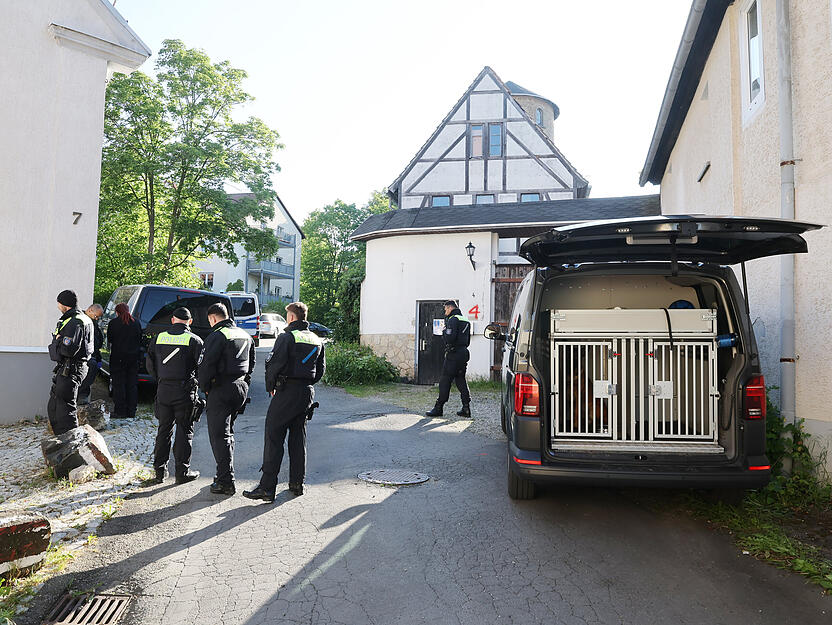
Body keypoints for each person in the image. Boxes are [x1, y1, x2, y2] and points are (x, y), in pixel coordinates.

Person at [244, 301, 325, 502]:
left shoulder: (286, 337)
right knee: (298, 437)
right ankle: (297, 483)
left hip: (286, 391)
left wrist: (270, 386)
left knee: (274, 435)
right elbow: (320, 370)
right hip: (306, 392)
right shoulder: (316, 339)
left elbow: (273, 364)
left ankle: (267, 487)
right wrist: (306, 383)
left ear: (291, 317)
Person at [198, 302, 255, 495]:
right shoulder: (245, 334)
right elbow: (252, 363)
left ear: (213, 318)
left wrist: (205, 388)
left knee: (218, 436)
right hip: (240, 388)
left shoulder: (216, 335)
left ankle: (226, 481)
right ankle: (223, 474)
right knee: (228, 434)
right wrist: (245, 383)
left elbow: (206, 367)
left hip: (220, 389)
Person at [145, 307, 204, 485]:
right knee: (184, 431)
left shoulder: (159, 338)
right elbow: (202, 368)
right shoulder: (195, 340)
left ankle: (159, 473)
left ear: (172, 320)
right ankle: (182, 472)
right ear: (190, 322)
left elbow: (149, 363)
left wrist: (161, 380)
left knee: (163, 430)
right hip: (184, 391)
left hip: (163, 390)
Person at [47, 290, 94, 435]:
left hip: (71, 367)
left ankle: (71, 444)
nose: (58, 306)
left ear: (64, 304)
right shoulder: (82, 318)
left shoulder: (75, 321)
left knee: (65, 409)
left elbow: (68, 350)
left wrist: (57, 341)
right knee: (55, 406)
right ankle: (61, 440)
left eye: (58, 303)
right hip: (71, 367)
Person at [426, 300, 472, 418]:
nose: (445, 311)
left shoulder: (453, 320)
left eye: (445, 309)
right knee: (460, 379)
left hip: (454, 354)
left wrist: (444, 332)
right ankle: (466, 408)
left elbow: (450, 338)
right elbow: (467, 341)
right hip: (464, 353)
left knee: (445, 380)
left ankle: (438, 407)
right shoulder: (465, 320)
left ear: (450, 308)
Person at [107, 303, 143, 419]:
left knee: (119, 385)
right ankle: (131, 411)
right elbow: (139, 339)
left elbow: (110, 339)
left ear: (117, 312)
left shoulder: (113, 323)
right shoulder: (136, 323)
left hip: (118, 358)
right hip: (133, 358)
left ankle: (120, 411)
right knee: (132, 385)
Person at [77, 304, 104, 405]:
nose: (97, 319)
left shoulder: (92, 322)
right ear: (90, 310)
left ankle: (82, 396)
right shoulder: (82, 320)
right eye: (96, 316)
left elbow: (97, 341)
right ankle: (80, 396)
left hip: (92, 354)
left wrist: (99, 358)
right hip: (82, 356)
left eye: (99, 317)